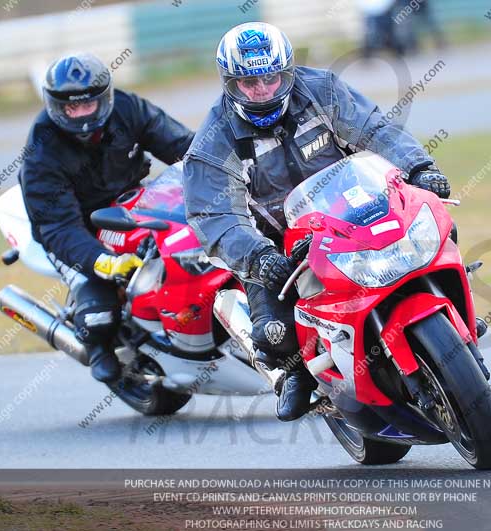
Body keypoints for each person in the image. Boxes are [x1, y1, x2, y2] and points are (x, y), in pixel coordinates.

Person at [182, 22, 450, 421]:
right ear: (229, 83)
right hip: (277, 246)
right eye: (248, 83)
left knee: (436, 224)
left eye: (271, 78)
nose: (262, 91)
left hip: (353, 211)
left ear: (287, 72)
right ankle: (296, 376)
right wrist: (257, 257)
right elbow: (214, 215)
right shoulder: (211, 143)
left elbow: (374, 129)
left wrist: (418, 168)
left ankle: (448, 314)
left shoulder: (320, 90)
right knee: (274, 335)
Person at [19, 52, 195, 382]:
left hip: (132, 203)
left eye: (89, 105)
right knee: (98, 317)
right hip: (78, 226)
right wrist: (103, 261)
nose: (83, 115)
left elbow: (185, 146)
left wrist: (223, 170)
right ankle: (98, 345)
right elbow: (57, 227)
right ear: (57, 106)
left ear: (105, 98)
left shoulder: (128, 109)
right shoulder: (42, 150)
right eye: (72, 108)